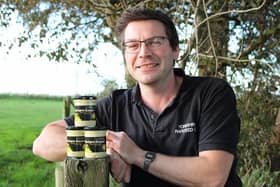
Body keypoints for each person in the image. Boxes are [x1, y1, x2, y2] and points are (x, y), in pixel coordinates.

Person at [33, 7, 242, 187]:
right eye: (133, 45)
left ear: (175, 49)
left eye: (155, 42)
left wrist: (138, 156)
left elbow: (213, 177)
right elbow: (43, 143)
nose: (143, 53)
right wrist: (108, 146)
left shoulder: (210, 93)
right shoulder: (115, 105)